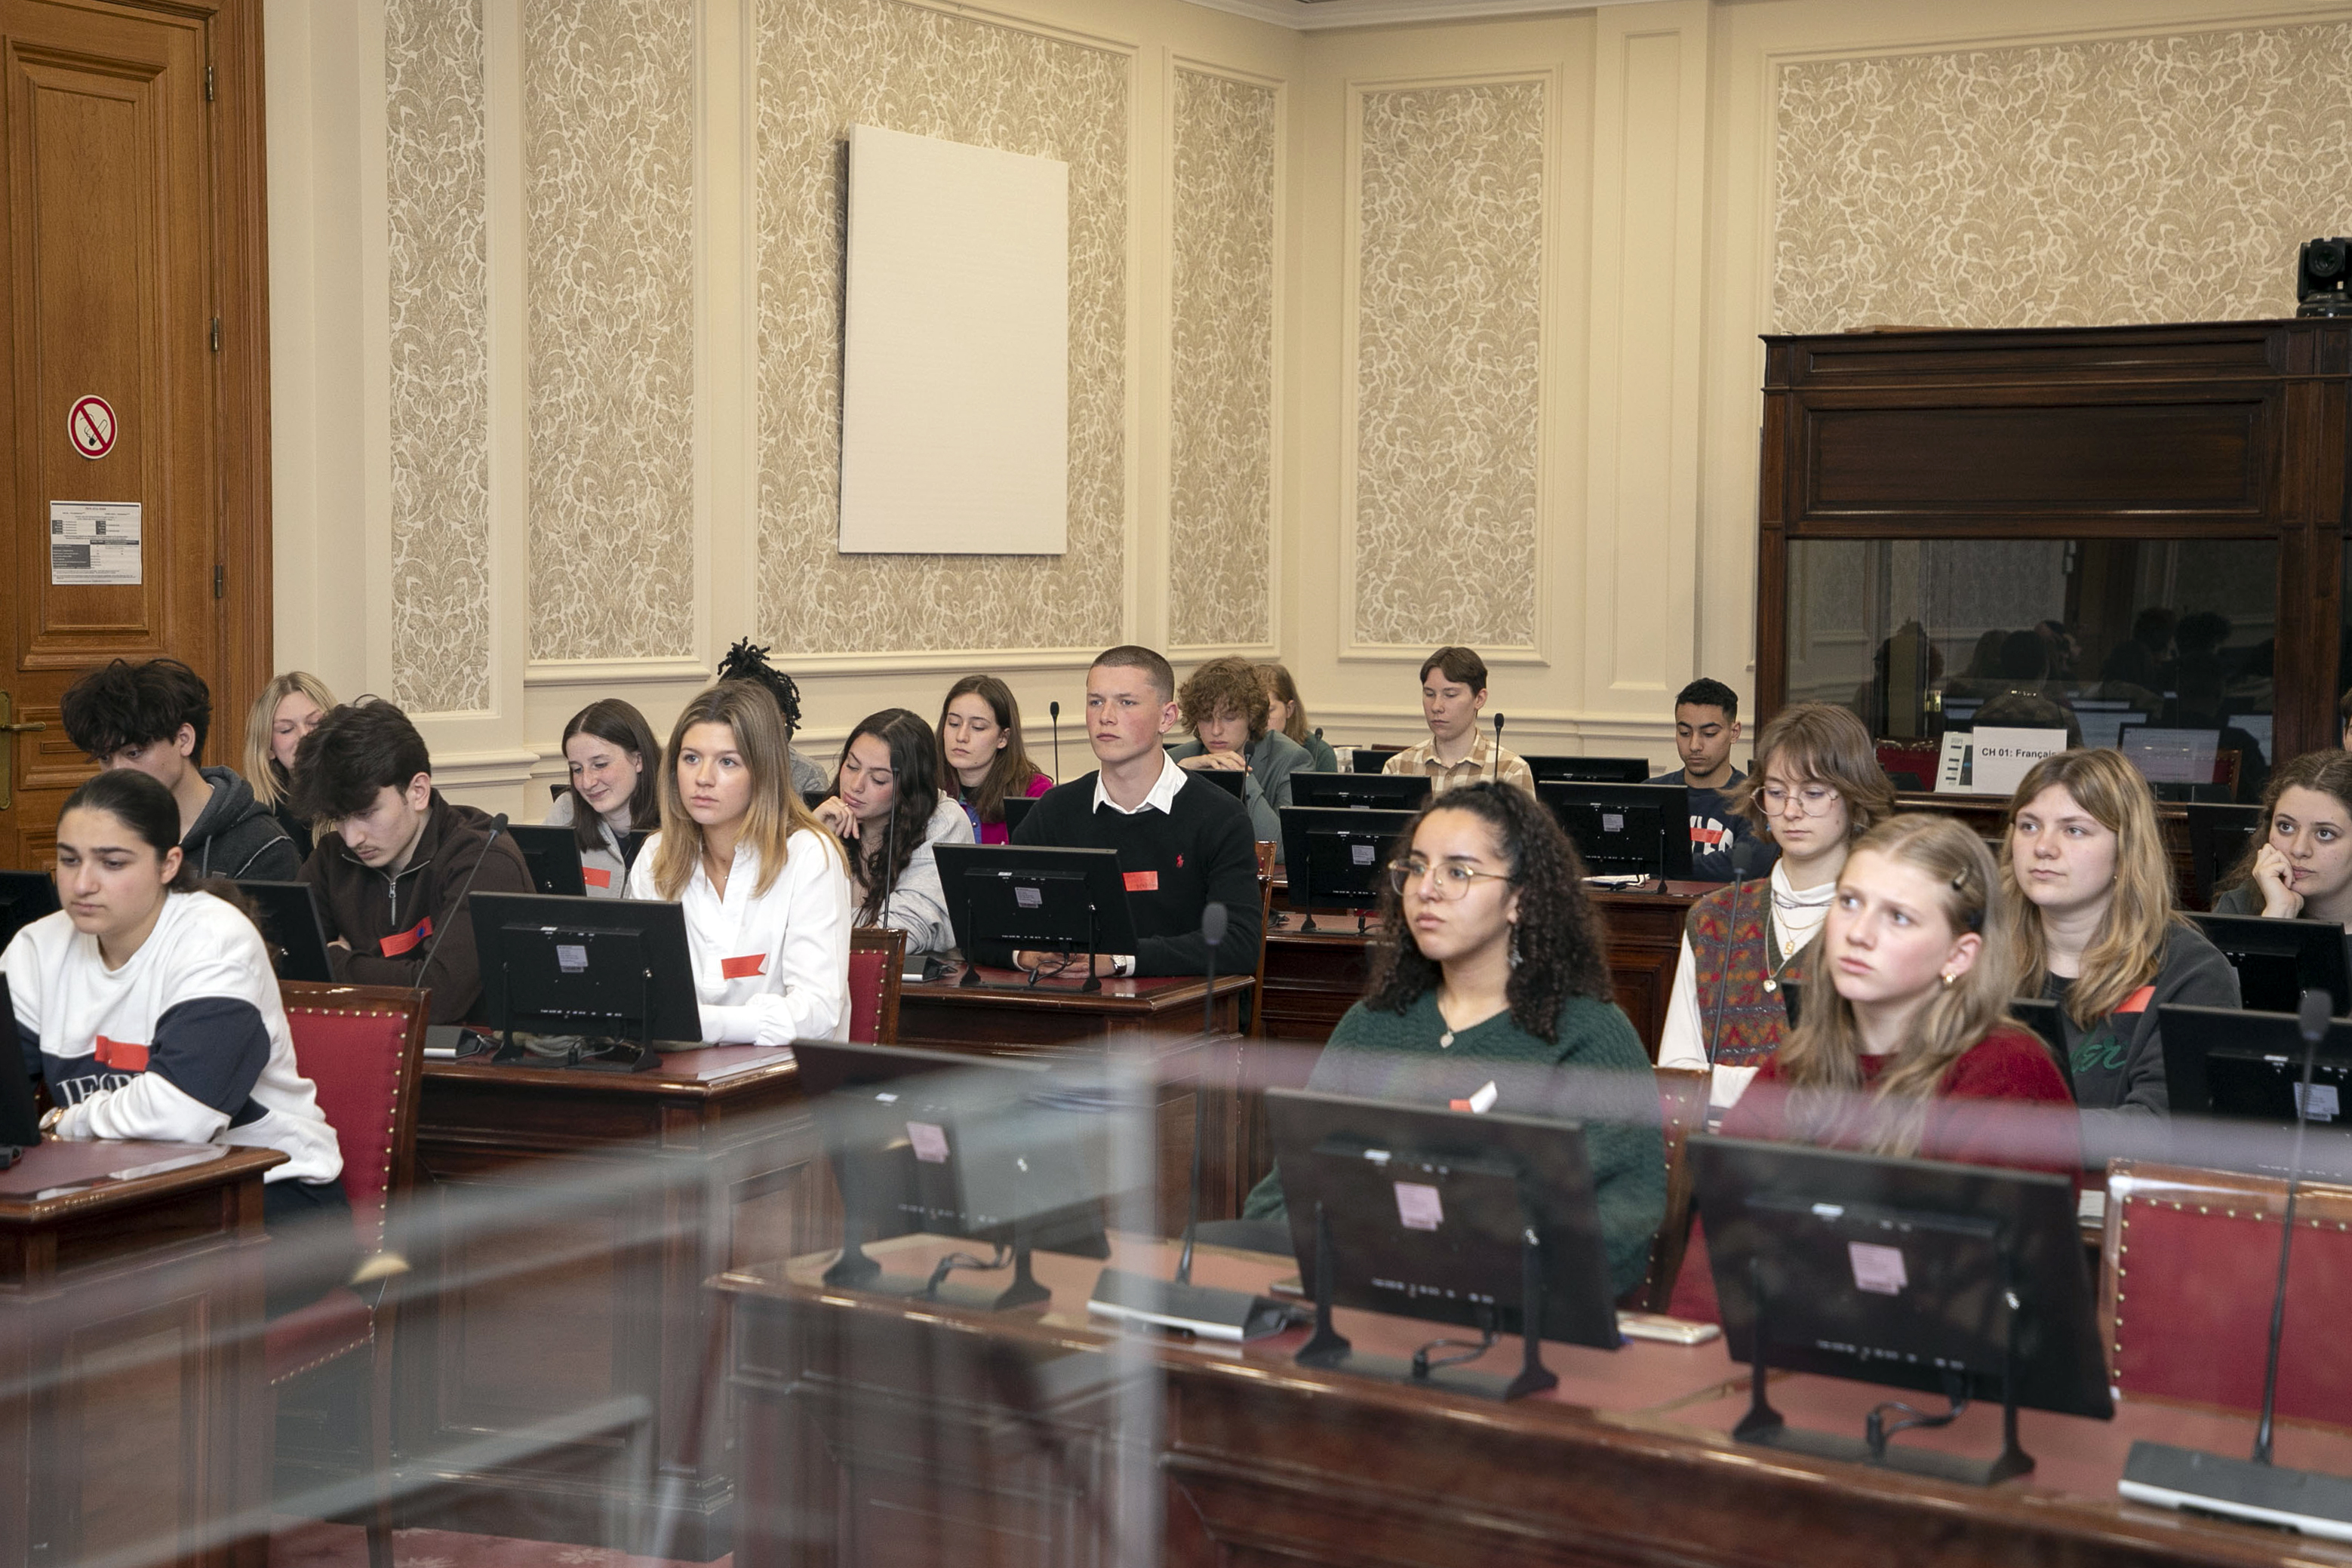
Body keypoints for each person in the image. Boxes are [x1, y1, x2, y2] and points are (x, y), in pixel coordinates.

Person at [1237, 782, 1664, 1299]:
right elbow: (1279, 1200)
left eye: (1458, 872)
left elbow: (1617, 1234)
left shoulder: (1588, 1035)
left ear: (1519, 898)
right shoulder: (1372, 1024)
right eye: (1416, 867)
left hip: (1517, 1330)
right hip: (1361, 1305)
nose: (1426, 889)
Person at [1668, 814, 2078, 1324]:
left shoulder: (2009, 1075)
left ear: (1958, 954)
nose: (1858, 934)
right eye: (1849, 902)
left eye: (1898, 917)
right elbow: (1711, 1280)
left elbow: (1985, 1298)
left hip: (1945, 1383)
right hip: (1782, 1367)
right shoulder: (1794, 1065)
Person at [6, 770, 349, 1315]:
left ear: (168, 864)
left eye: (112, 863)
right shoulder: (36, 947)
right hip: (120, 1198)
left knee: (123, 1315)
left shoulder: (215, 938)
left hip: (274, 1200)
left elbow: (184, 1116)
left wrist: (68, 1121)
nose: (82, 883)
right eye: (69, 860)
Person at [1656, 703, 1895, 1109]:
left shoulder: (1880, 924)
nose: (1790, 811)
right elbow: (1677, 1077)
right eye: (1777, 792)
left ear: (1854, 799)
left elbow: (1866, 1088)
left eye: (1814, 794)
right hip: (1715, 1155)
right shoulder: (1713, 918)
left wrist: (1727, 1085)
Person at [2002, 749, 2238, 1136]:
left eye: (2074, 829)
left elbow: (2163, 1126)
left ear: (2125, 850)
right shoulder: (1975, 950)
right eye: (2028, 826)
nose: (2043, 847)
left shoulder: (2192, 971)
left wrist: (2011, 1132)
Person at [995, 646, 1260, 978]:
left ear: (1167, 717)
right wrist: (1025, 955)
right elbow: (987, 921)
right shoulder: (1055, 810)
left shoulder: (1221, 816)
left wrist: (1122, 960)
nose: (1106, 716)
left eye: (1126, 702)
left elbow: (1238, 943)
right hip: (1070, 1004)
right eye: (1096, 701)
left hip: (1178, 1010)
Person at [627, 681, 851, 1044]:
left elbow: (818, 1012)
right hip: (676, 1069)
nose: (703, 778)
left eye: (727, 762)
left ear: (762, 773)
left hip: (785, 1081)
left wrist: (703, 1023)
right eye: (691, 758)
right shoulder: (656, 854)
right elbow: (641, 989)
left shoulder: (810, 855)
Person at [292, 698, 533, 1024]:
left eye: (365, 814)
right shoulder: (332, 858)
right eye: (339, 819)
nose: (352, 838)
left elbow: (439, 995)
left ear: (418, 791)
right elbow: (287, 964)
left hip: (469, 1067)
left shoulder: (484, 859)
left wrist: (337, 960)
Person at [59, 658, 299, 881]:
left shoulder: (263, 847)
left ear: (184, 740)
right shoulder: (103, 834)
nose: (117, 772)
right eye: (105, 758)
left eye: (134, 753)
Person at [812, 708, 973, 954]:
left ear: (910, 787)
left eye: (878, 779)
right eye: (852, 766)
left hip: (906, 984)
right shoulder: (828, 817)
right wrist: (812, 841)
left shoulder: (943, 820)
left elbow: (908, 925)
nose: (855, 786)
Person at [2211, 752, 2352, 970]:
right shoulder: (2239, 906)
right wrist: (2275, 918)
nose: (2298, 849)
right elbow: (2226, 1001)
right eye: (2286, 827)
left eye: (2325, 833)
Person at [1168, 655, 1311, 849]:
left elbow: (1283, 848)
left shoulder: (1291, 759)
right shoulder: (1176, 760)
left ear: (1252, 716)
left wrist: (1243, 777)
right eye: (1206, 718)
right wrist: (1175, 777)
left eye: (1229, 718)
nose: (1216, 730)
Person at [1647, 677, 1769, 881]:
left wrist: (1661, 863)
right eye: (1684, 732)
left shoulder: (1756, 801)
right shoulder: (1651, 793)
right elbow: (1624, 864)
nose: (1695, 745)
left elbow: (1746, 867)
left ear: (1734, 732)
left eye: (1709, 734)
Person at [545, 699, 662, 898]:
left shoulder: (681, 820)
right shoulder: (566, 811)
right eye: (577, 769)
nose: (587, 782)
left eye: (600, 765)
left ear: (638, 760)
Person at [1381, 647, 1533, 795]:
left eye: (1450, 695)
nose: (1436, 706)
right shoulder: (1398, 767)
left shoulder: (1510, 770)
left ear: (1479, 699)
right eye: (1429, 694)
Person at [936, 675, 1051, 844]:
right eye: (954, 723)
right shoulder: (927, 787)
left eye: (978, 727)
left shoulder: (1035, 792)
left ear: (1003, 738)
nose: (961, 737)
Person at [716, 637, 831, 804]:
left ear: (781, 719)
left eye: (758, 718)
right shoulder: (705, 770)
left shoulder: (807, 774)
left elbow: (811, 828)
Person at [241, 671, 337, 862]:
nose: (304, 735)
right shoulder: (255, 816)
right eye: (286, 729)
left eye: (315, 723)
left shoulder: (362, 798)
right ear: (268, 747)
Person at [1256, 662, 1338, 774]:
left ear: (1289, 709)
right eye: (1254, 711)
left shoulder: (1320, 753)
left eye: (1269, 711)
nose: (1261, 720)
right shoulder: (1241, 748)